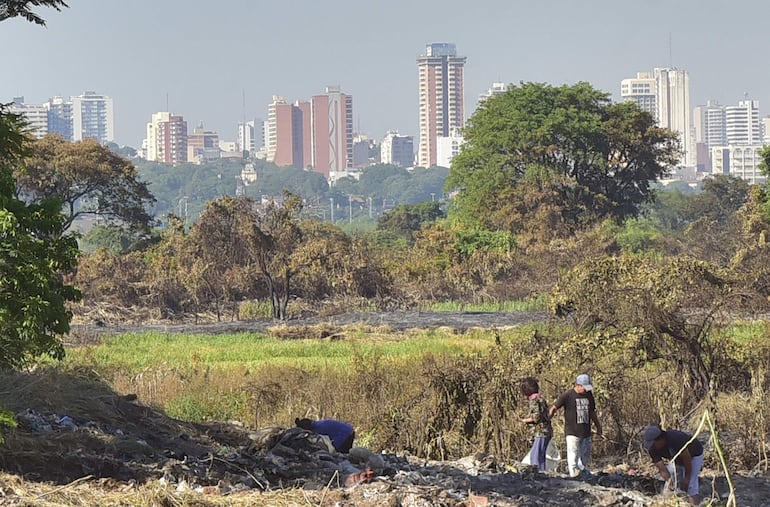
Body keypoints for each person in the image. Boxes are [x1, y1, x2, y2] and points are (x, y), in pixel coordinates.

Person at [548, 373, 602, 477]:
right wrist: (548, 418)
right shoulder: (568, 395)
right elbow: (554, 407)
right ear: (578, 385)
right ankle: (573, 476)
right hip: (572, 432)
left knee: (584, 457)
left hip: (586, 432)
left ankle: (582, 474)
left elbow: (592, 412)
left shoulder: (589, 395)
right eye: (584, 388)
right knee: (572, 456)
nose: (586, 390)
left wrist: (598, 426)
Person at [643, 425, 704, 505]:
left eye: (653, 444)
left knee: (690, 485)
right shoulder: (652, 449)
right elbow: (662, 468)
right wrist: (669, 482)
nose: (651, 447)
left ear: (660, 440)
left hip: (694, 455)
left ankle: (694, 504)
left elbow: (687, 459)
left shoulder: (675, 439)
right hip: (676, 459)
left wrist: (687, 478)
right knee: (669, 486)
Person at [518, 377, 553, 472]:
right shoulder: (541, 398)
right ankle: (542, 474)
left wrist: (525, 420)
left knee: (535, 457)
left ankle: (537, 476)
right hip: (546, 431)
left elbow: (536, 417)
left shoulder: (534, 400)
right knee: (540, 456)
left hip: (540, 432)